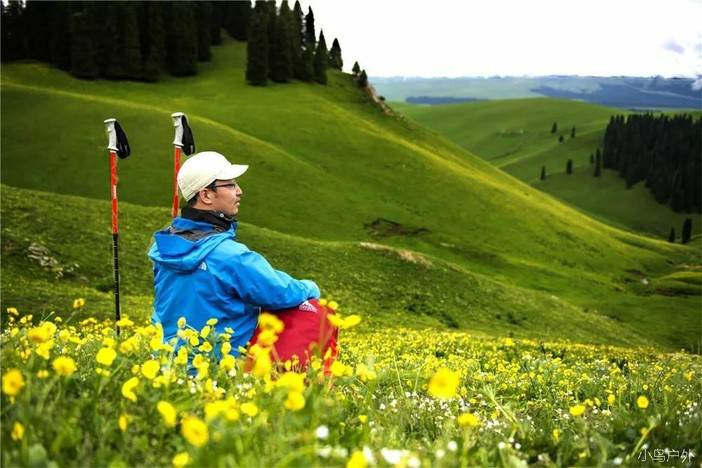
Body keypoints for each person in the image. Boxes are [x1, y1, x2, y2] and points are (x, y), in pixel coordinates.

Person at [148, 151, 321, 355]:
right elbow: (280, 292)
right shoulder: (230, 256)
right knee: (315, 312)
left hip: (167, 363)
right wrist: (310, 287)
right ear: (206, 195)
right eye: (230, 185)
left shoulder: (162, 247)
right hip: (220, 367)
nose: (239, 191)